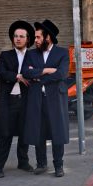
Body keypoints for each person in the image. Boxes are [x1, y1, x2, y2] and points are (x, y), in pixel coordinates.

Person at [23, 19, 69, 177]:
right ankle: (41, 164)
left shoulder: (62, 53)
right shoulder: (31, 54)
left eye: (37, 37)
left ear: (47, 37)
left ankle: (58, 166)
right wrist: (48, 70)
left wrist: (38, 74)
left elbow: (62, 73)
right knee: (39, 132)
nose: (34, 40)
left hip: (56, 98)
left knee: (58, 132)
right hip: (37, 98)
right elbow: (26, 72)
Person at [0, 20, 35, 178]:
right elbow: (0, 72)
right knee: (4, 133)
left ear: (27, 39)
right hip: (8, 100)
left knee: (24, 132)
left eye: (21, 36)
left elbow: (38, 73)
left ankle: (23, 162)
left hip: (26, 100)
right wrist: (17, 76)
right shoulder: (5, 55)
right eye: (15, 36)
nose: (18, 39)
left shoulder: (33, 56)